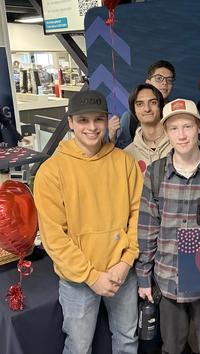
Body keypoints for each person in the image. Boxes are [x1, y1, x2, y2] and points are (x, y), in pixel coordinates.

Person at [34, 90, 143, 354]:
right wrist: (91, 276)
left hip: (122, 274)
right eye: (83, 120)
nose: (92, 128)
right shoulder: (51, 172)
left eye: (98, 119)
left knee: (127, 339)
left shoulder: (124, 162)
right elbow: (53, 237)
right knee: (79, 347)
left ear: (107, 121)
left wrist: (125, 261)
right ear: (70, 122)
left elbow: (139, 215)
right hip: (77, 280)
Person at [136, 98, 200, 354]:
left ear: (198, 128)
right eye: (173, 128)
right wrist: (144, 277)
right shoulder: (155, 173)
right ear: (165, 132)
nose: (181, 135)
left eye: (187, 127)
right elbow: (148, 227)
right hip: (168, 279)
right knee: (172, 347)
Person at [111, 60, 176, 148]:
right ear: (148, 82)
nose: (164, 83)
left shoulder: (176, 113)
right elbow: (123, 151)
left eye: (169, 80)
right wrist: (112, 137)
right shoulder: (130, 118)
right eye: (159, 78)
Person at [124, 83, 171, 173]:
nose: (147, 109)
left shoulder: (181, 143)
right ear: (134, 110)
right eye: (140, 104)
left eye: (153, 102)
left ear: (161, 106)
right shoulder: (127, 154)